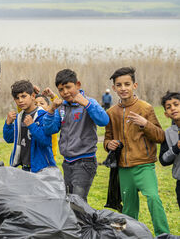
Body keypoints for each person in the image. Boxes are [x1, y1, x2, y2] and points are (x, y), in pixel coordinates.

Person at [104, 67, 169, 235]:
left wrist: (145, 124)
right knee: (128, 207)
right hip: (123, 167)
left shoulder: (145, 108)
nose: (123, 88)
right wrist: (108, 144)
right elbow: (107, 138)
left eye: (127, 84)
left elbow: (161, 136)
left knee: (154, 199)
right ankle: (127, 236)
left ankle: (163, 234)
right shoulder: (111, 112)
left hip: (144, 165)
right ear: (114, 88)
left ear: (135, 85)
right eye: (119, 85)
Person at [43, 69, 109, 201]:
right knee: (68, 201)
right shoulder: (61, 108)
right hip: (67, 162)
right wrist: (51, 110)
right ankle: (76, 222)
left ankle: (84, 222)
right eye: (61, 89)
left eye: (68, 87)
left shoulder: (89, 102)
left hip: (85, 161)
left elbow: (104, 120)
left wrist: (87, 104)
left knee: (78, 203)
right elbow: (50, 129)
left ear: (78, 85)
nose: (65, 92)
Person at [3, 80, 56, 172]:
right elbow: (9, 139)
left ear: (32, 96)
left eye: (23, 96)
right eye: (17, 98)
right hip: (25, 168)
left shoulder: (43, 115)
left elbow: (46, 141)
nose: (20, 101)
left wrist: (32, 126)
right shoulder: (19, 117)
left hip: (43, 168)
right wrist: (8, 124)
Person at [159, 91, 180, 209]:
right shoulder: (168, 133)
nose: (173, 108)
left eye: (176, 104)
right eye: (169, 107)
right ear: (166, 114)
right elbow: (163, 160)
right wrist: (176, 148)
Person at [35, 93, 59, 160]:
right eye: (35, 104)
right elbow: (22, 110)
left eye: (41, 103)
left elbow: (59, 106)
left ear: (48, 107)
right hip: (35, 157)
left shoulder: (51, 118)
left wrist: (53, 96)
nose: (38, 105)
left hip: (49, 157)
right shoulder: (32, 119)